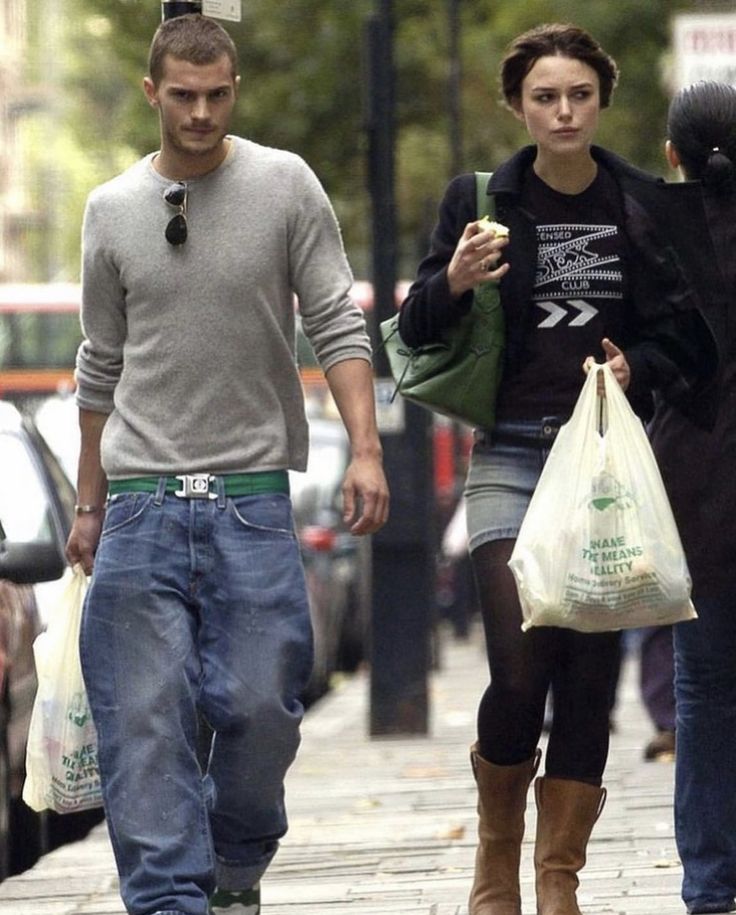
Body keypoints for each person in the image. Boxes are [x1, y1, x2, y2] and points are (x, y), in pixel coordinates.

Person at [65, 14, 389, 915]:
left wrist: (365, 449)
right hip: (138, 505)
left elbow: (335, 320)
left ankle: (236, 863)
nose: (200, 113)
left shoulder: (285, 185)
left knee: (258, 710)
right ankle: (169, 898)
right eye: (182, 96)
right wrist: (88, 504)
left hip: (250, 501)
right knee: (143, 725)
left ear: (233, 89)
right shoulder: (111, 208)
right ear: (152, 92)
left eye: (216, 95)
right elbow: (100, 361)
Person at [398, 23, 717, 915]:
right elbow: (416, 332)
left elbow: (686, 337)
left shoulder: (644, 204)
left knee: (588, 678)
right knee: (520, 667)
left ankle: (556, 879)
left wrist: (633, 368)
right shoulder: (482, 201)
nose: (563, 111)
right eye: (545, 96)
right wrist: (453, 279)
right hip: (510, 455)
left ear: (601, 100)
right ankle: (496, 855)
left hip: (611, 462)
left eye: (578, 94)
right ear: (518, 107)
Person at [649, 80, 736, 915]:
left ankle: (710, 888)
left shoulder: (656, 236)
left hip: (696, 493)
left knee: (705, 694)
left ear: (670, 155)